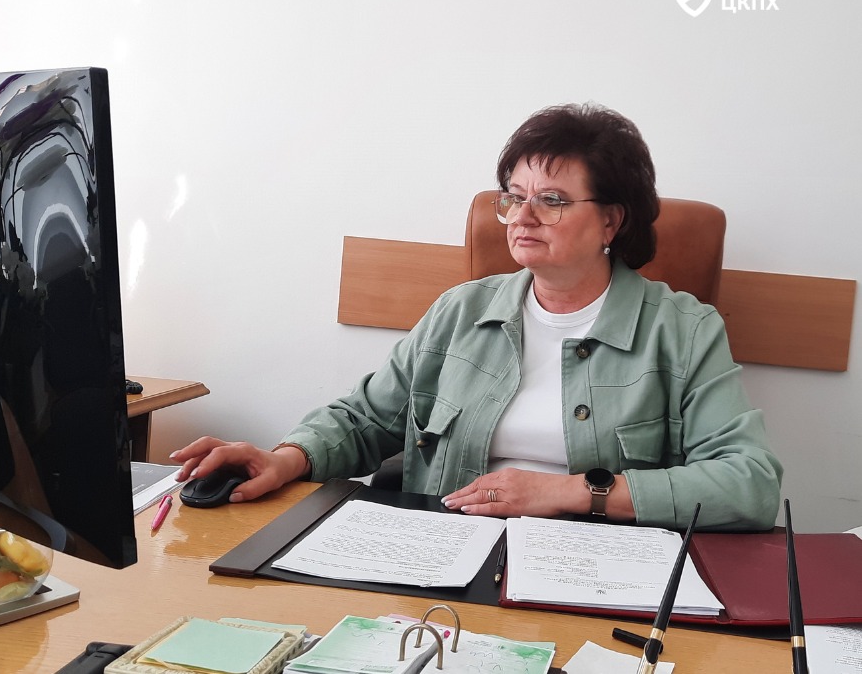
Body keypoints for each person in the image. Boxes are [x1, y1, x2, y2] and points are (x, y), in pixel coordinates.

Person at [172, 103, 782, 531]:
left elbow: (749, 483)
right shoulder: (462, 311)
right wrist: (286, 458)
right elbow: (365, 419)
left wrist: (569, 493)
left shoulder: (682, 331)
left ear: (611, 221)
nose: (523, 216)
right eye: (513, 196)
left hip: (595, 570)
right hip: (444, 552)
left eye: (552, 200)